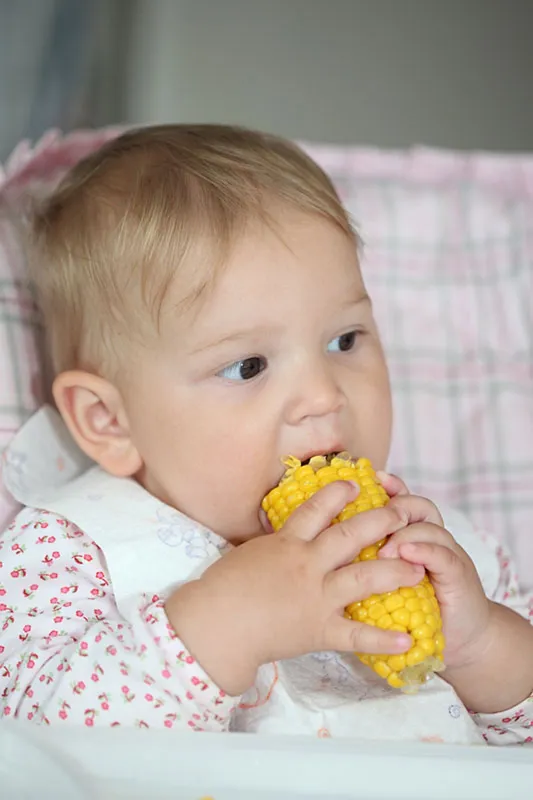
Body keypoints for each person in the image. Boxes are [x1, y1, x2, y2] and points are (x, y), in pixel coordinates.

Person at [0, 125, 531, 744]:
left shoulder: (447, 555)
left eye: (345, 340)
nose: (324, 396)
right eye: (248, 366)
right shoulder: (71, 552)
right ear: (108, 422)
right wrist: (225, 628)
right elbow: (34, 740)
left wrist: (483, 644)